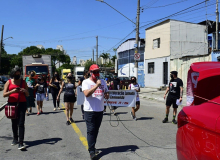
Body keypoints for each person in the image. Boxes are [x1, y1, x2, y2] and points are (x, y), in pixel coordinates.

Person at [82, 64, 109, 160]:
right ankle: (91, 151)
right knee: (91, 130)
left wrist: (106, 95)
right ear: (90, 72)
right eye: (95, 72)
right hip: (89, 110)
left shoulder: (103, 82)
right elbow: (86, 94)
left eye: (98, 71)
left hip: (100, 110)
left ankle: (92, 146)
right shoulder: (86, 82)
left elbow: (106, 93)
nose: (97, 73)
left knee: (96, 130)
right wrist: (96, 85)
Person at [3, 67, 29, 150]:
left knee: (21, 123)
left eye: (19, 73)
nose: (18, 75)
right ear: (13, 74)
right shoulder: (8, 82)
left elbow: (28, 94)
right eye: (16, 73)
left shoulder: (23, 82)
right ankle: (15, 139)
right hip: (12, 104)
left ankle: (21, 142)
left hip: (22, 104)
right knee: (14, 122)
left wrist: (24, 91)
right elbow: (4, 94)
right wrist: (13, 91)